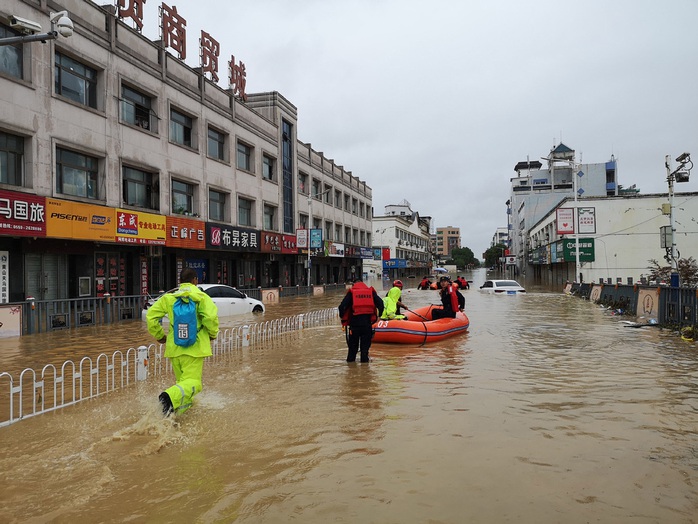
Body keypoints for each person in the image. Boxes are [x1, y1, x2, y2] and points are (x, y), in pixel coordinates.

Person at [146, 267, 219, 415]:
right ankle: (168, 396)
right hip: (195, 348)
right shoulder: (201, 297)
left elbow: (151, 317)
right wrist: (212, 334)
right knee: (194, 384)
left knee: (183, 385)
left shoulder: (169, 298)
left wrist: (160, 336)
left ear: (180, 282)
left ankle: (177, 415)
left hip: (175, 348)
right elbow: (210, 319)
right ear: (195, 280)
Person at [338, 278, 384, 363]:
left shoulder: (352, 292)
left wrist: (342, 318)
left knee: (352, 350)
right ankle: (365, 370)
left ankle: (351, 370)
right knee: (365, 350)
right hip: (367, 325)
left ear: (354, 284)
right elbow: (381, 304)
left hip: (354, 325)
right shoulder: (370, 291)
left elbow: (342, 307)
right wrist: (379, 316)